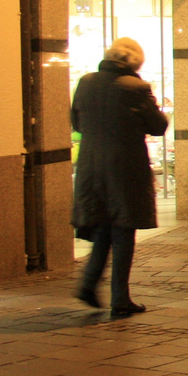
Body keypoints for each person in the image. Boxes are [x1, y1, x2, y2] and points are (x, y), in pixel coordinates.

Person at [71, 38, 170, 316]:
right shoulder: (137, 88)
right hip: (125, 166)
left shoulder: (86, 83)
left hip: (91, 166)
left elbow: (76, 122)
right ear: (134, 63)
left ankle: (89, 284)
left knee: (104, 225)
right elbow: (158, 126)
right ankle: (120, 297)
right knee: (124, 229)